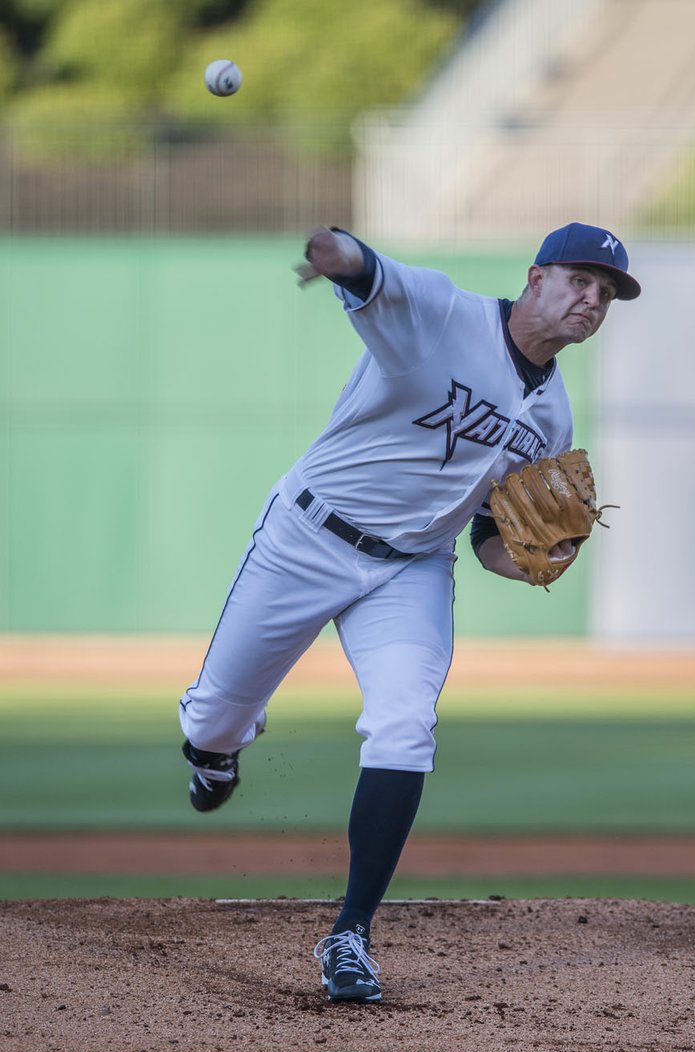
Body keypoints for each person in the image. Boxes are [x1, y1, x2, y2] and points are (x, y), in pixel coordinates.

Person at [178, 221, 641, 1003]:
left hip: (412, 569)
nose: (591, 300)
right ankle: (216, 748)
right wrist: (338, 253)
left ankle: (350, 933)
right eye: (579, 280)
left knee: (405, 724)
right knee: (212, 717)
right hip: (308, 536)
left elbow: (493, 539)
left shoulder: (551, 417)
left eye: (605, 293)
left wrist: (534, 566)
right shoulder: (444, 312)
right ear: (535, 277)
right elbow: (369, 275)